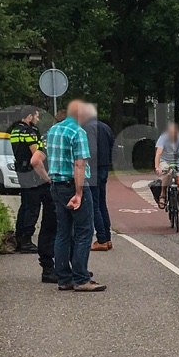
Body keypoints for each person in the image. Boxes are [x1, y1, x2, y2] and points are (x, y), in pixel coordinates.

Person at [46, 100, 104, 292]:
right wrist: (79, 193)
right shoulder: (78, 133)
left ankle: (63, 278)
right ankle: (81, 278)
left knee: (63, 231)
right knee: (84, 231)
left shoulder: (53, 130)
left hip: (57, 185)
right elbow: (79, 165)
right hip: (73, 185)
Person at [9, 108, 46, 254]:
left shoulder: (15, 130)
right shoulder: (30, 132)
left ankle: (19, 238)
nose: (38, 119)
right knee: (33, 206)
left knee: (25, 205)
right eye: (37, 116)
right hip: (31, 172)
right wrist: (45, 176)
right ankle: (26, 241)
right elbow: (35, 155)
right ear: (29, 116)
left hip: (20, 169)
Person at [82, 103, 116, 251]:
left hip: (93, 169)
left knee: (94, 205)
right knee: (102, 203)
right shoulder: (105, 127)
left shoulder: (87, 128)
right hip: (104, 167)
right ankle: (107, 238)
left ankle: (101, 239)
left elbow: (89, 150)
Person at [154, 122, 179, 223]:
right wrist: (157, 167)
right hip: (165, 161)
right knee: (167, 173)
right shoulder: (163, 138)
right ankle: (163, 194)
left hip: (178, 163)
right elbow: (158, 153)